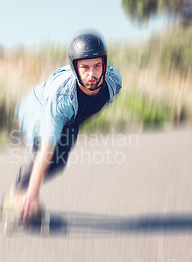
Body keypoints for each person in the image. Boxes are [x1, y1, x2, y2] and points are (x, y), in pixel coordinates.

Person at [10, 32, 122, 219]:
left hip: (71, 117)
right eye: (85, 67)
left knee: (57, 165)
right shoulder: (61, 96)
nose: (92, 74)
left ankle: (27, 190)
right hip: (38, 108)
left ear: (105, 63)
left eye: (97, 66)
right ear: (75, 68)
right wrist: (34, 192)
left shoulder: (113, 81)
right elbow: (47, 147)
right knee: (48, 156)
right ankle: (18, 195)